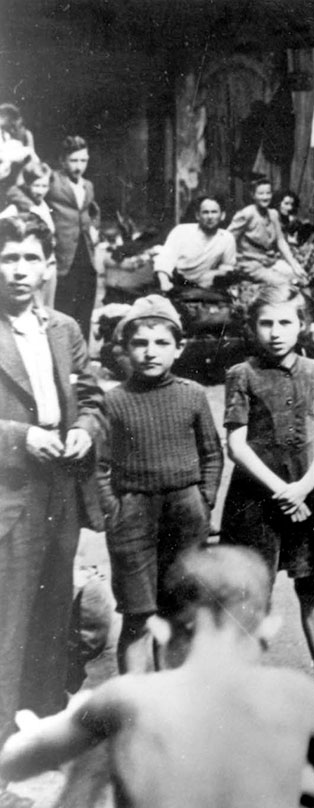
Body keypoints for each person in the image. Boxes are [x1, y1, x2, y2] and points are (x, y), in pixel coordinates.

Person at [0, 545, 314, 808]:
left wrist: (56, 723)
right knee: (312, 789)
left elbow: (15, 762)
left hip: (87, 725)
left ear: (161, 633)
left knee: (98, 756)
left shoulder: (125, 698)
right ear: (268, 631)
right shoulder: (297, 696)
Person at [221, 285, 314, 728]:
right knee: (251, 593)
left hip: (308, 491)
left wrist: (306, 484)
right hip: (256, 496)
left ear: (302, 325)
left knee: (310, 584)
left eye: (285, 322)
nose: (275, 333)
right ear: (252, 327)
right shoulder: (241, 373)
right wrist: (282, 488)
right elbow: (236, 443)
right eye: (266, 323)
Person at [0, 213, 103, 743]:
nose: (19, 270)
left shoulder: (63, 328)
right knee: (7, 616)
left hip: (60, 486)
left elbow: (89, 393)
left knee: (51, 604)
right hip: (10, 491)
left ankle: (39, 723)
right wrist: (19, 437)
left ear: (47, 267)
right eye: (8, 257)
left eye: (29, 259)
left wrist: (85, 428)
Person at [98, 295, 223, 673]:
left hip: (185, 510)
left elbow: (212, 454)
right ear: (125, 348)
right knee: (138, 616)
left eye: (161, 343)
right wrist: (114, 511)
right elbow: (99, 466)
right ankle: (136, 713)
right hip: (133, 514)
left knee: (179, 613)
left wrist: (204, 500)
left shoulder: (192, 395)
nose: (150, 352)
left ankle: (173, 708)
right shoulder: (114, 401)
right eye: (140, 343)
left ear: (179, 347)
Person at [46, 135, 99, 340]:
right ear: (62, 161)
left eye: (83, 161)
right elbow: (23, 194)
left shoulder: (88, 185)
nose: (79, 166)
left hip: (86, 254)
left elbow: (93, 211)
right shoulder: (52, 179)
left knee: (85, 308)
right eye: (74, 161)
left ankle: (81, 359)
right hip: (63, 255)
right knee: (63, 308)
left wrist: (94, 228)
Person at [228, 177, 304, 285]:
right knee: (286, 284)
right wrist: (235, 262)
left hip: (269, 263)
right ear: (253, 195)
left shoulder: (273, 214)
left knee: (301, 277)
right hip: (251, 265)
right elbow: (227, 240)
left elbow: (281, 241)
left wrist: (294, 264)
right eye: (261, 193)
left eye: (268, 193)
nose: (265, 197)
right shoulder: (247, 214)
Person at [153, 194, 237, 291]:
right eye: (205, 212)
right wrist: (165, 282)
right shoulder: (181, 231)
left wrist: (214, 275)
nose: (210, 217)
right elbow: (165, 259)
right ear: (198, 216)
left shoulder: (226, 238)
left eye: (214, 212)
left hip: (193, 284)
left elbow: (227, 266)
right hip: (164, 274)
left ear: (222, 215)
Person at [1, 161, 55, 306]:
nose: (40, 191)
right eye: (36, 185)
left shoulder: (43, 206)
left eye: (44, 186)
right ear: (27, 185)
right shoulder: (17, 207)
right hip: (27, 264)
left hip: (44, 263)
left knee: (46, 304)